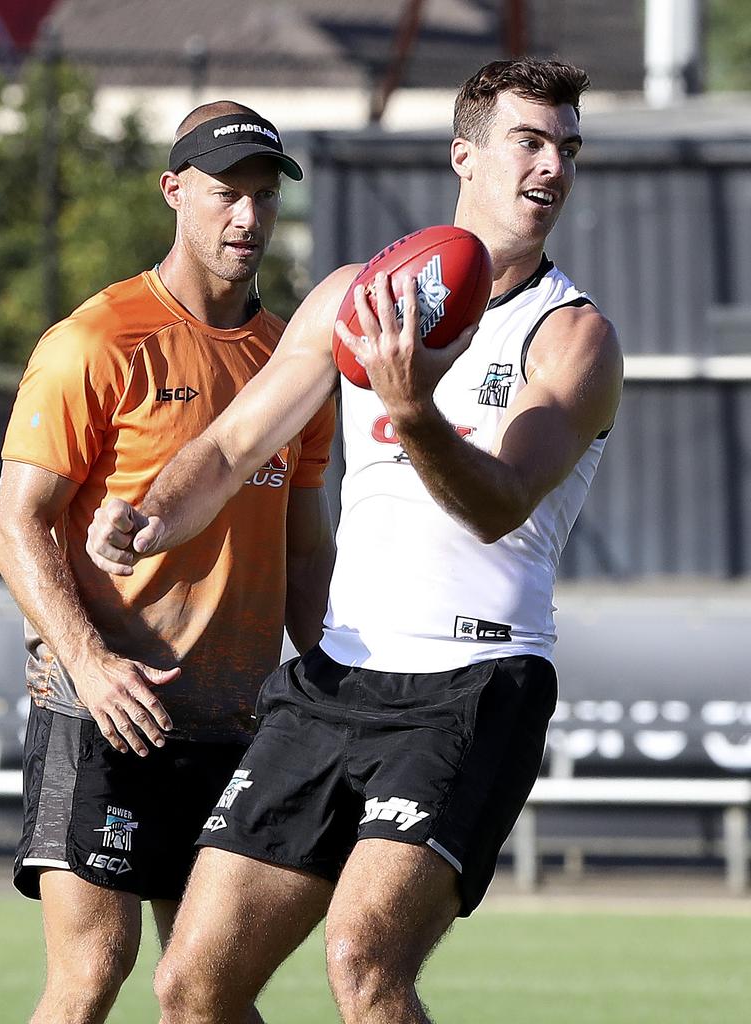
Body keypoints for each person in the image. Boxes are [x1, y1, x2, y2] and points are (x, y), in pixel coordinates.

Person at [87, 59, 623, 1024]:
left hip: (476, 684)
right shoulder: (354, 299)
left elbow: (498, 503)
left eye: (569, 149)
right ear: (464, 154)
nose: (552, 168)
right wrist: (149, 516)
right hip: (336, 680)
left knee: (364, 965)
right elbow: (231, 444)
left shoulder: (571, 336)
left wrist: (411, 408)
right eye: (530, 143)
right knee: (192, 984)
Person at [0, 100, 335, 1024]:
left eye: (264, 196)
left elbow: (307, 548)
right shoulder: (96, 340)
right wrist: (93, 668)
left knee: (207, 991)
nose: (248, 218)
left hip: (240, 723)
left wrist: (341, 680)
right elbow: (14, 527)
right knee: (93, 972)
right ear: (175, 191)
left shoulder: (291, 360)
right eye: (228, 193)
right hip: (105, 712)